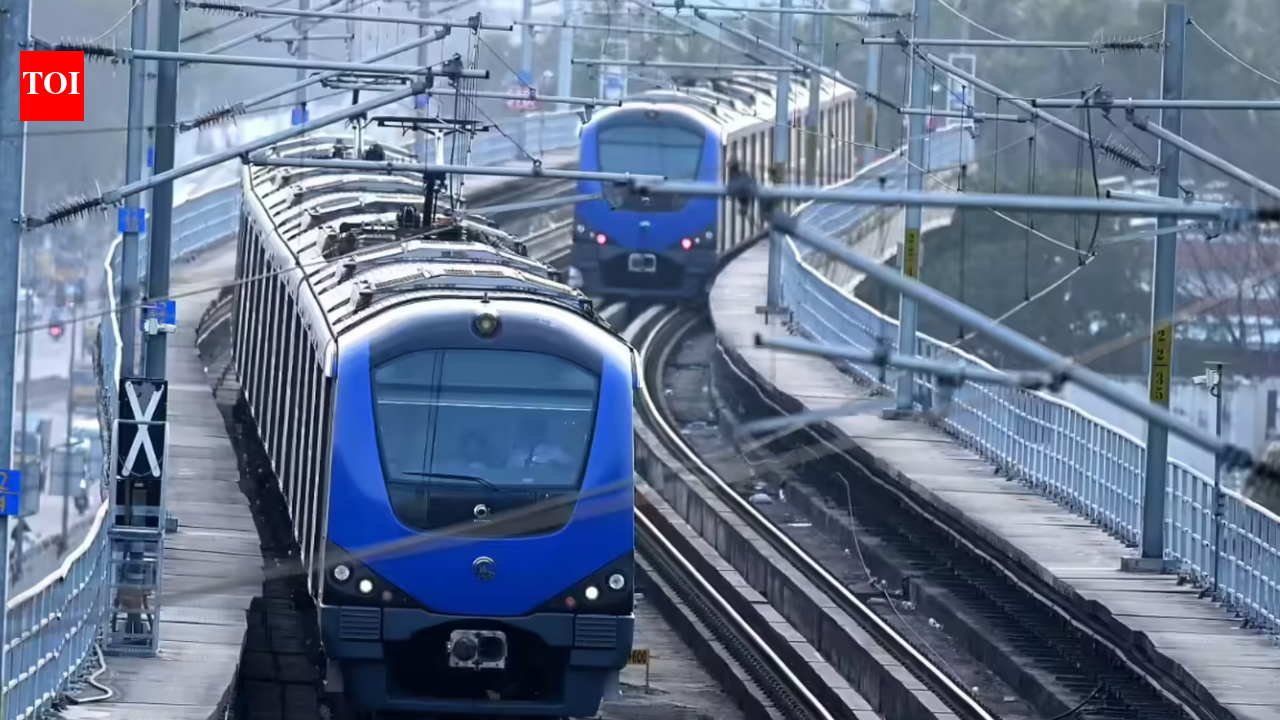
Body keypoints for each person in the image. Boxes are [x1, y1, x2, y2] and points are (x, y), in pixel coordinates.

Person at [507, 418, 572, 468]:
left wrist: (554, 463)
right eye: (525, 431)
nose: (529, 434)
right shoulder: (517, 453)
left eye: (534, 431)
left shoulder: (556, 451)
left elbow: (570, 465)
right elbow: (508, 473)